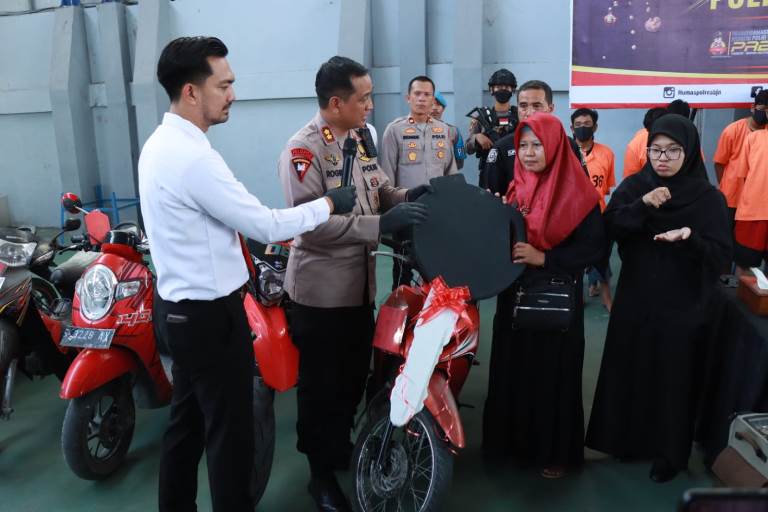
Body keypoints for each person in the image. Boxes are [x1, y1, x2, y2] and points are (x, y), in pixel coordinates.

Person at [139, 37, 357, 512]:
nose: (233, 94)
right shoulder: (194, 158)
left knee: (187, 427)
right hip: (211, 317)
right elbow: (265, 224)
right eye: (226, 84)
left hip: (177, 312)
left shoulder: (159, 144)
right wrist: (327, 204)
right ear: (192, 92)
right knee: (231, 438)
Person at [277, 55, 430, 512]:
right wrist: (382, 225)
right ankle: (319, 476)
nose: (370, 105)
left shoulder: (359, 139)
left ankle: (339, 447)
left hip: (359, 288)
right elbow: (311, 228)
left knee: (350, 379)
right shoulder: (303, 152)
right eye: (363, 98)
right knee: (321, 387)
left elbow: (381, 188)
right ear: (336, 102)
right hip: (320, 295)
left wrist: (411, 196)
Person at [586, 114, 732, 484]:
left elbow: (720, 257)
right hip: (636, 298)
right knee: (632, 368)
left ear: (690, 152)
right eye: (655, 150)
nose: (663, 158)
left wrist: (689, 237)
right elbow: (608, 231)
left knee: (674, 377)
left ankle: (670, 454)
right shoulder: (636, 187)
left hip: (683, 303)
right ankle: (627, 441)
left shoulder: (707, 198)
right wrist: (643, 205)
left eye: (673, 150)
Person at [482, 113, 606, 479]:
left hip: (557, 301)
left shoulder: (579, 192)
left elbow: (594, 248)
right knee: (513, 371)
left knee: (552, 377)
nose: (529, 153)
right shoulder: (515, 189)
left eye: (537, 145)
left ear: (554, 146)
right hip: (515, 297)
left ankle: (554, 453)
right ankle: (511, 446)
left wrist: (545, 257)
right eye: (523, 145)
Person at [379, 75, 457, 287]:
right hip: (406, 214)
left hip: (437, 214)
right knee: (403, 271)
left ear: (434, 100)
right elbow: (386, 177)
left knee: (437, 272)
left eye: (427, 95)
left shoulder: (444, 130)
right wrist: (391, 213)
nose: (422, 99)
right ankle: (404, 317)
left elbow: (451, 171)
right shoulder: (394, 130)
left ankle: (432, 317)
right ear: (408, 98)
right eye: (417, 94)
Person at [484, 80, 586, 195]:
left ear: (550, 109)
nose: (529, 112)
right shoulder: (502, 148)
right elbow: (492, 197)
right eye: (523, 106)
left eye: (537, 106)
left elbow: (583, 192)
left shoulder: (568, 145)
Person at [570, 107, 616, 310]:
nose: (582, 129)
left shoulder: (606, 153)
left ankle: (605, 294)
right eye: (578, 125)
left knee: (601, 255)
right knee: (575, 256)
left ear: (595, 127)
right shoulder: (566, 153)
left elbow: (605, 187)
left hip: (598, 213)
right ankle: (579, 292)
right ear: (571, 128)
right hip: (572, 215)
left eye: (587, 125)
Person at [714, 90, 768, 228]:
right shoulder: (732, 130)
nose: (765, 114)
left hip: (754, 202)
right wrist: (725, 187)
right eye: (762, 109)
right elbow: (719, 163)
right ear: (752, 107)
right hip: (731, 197)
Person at [466, 68, 518, 187]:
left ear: (512, 90)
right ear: (492, 89)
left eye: (507, 87)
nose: (503, 90)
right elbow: (467, 148)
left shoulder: (519, 114)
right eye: (499, 86)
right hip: (489, 172)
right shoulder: (482, 116)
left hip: (515, 172)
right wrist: (477, 137)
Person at [733, 103, 768, 273]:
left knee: (744, 265)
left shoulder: (753, 138)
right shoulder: (753, 138)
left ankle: (743, 299)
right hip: (752, 211)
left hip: (752, 210)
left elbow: (743, 175)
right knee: (745, 262)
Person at [623, 107, 667, 178]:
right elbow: (630, 182)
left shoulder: (682, 142)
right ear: (647, 130)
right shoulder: (635, 145)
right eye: (652, 132)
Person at [431, 90, 466, 170]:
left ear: (443, 109)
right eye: (431, 104)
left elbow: (460, 161)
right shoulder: (415, 130)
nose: (434, 108)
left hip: (444, 178)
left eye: (438, 105)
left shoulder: (454, 131)